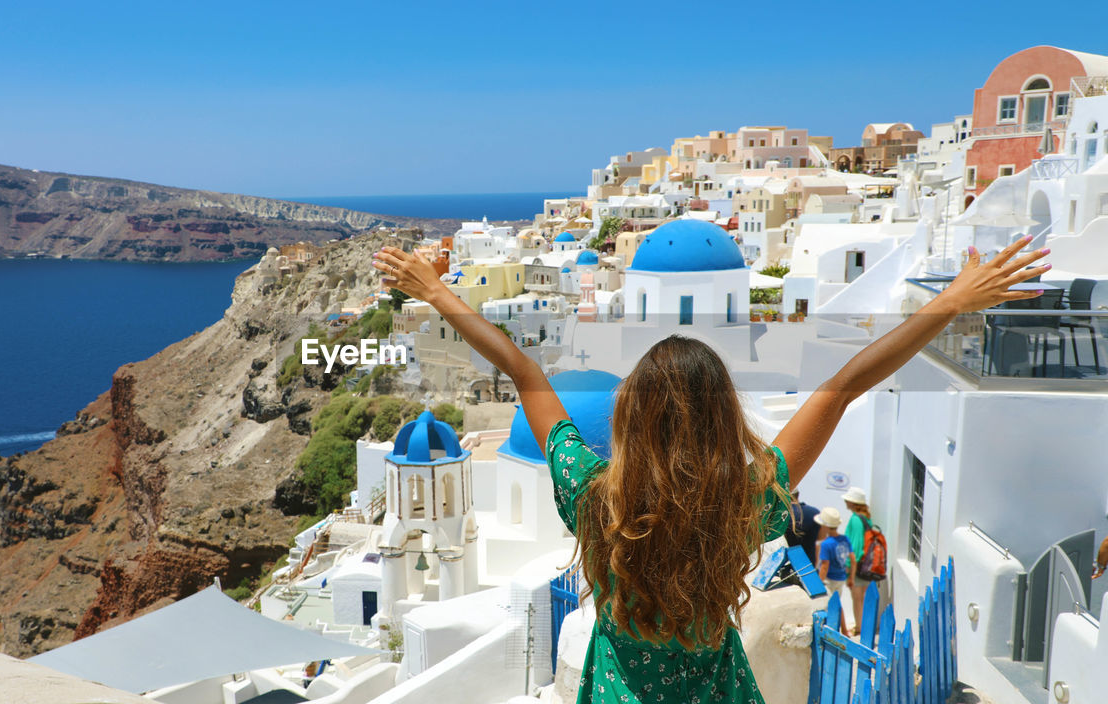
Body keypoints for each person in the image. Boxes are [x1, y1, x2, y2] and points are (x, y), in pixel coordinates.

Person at [372, 236, 1048, 703]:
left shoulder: (591, 496)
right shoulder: (749, 499)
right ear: (721, 417)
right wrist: (952, 302)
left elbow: (522, 370)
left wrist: (434, 289)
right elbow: (844, 385)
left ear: (631, 419)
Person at [815, 507, 853, 635]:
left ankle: (831, 632)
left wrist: (818, 582)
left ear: (825, 526)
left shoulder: (826, 544)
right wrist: (851, 577)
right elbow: (852, 559)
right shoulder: (845, 539)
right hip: (841, 578)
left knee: (827, 605)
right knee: (837, 603)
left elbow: (825, 565)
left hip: (829, 580)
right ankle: (845, 630)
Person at [841, 487, 873, 634]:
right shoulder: (866, 518)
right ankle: (864, 626)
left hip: (858, 565)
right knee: (864, 598)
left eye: (848, 499)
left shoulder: (855, 519)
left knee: (857, 598)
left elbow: (856, 545)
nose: (845, 501)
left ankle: (859, 628)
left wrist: (849, 566)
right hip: (868, 564)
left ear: (853, 503)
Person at [786, 489, 821, 566]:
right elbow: (820, 541)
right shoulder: (815, 513)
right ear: (798, 494)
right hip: (808, 568)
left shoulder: (780, 515)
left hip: (783, 568)